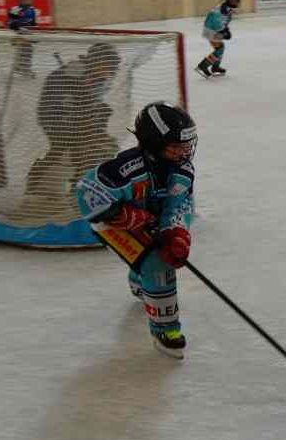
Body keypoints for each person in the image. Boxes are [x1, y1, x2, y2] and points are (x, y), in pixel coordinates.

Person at [75, 102, 196, 358]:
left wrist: (175, 232)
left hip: (149, 220)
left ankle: (141, 278)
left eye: (187, 144)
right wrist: (123, 215)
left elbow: (179, 205)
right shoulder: (127, 169)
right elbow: (86, 192)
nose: (185, 151)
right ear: (155, 144)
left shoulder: (183, 170)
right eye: (177, 146)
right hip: (111, 225)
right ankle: (166, 330)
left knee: (161, 253)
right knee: (157, 264)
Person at [28, 43, 122, 192]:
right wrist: (79, 111)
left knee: (84, 148)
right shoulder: (77, 70)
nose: (108, 70)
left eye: (111, 66)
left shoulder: (99, 77)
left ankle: (77, 181)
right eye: (105, 65)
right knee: (72, 148)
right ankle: (45, 180)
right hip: (55, 116)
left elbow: (92, 102)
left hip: (74, 116)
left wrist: (95, 115)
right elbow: (64, 99)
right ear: (96, 60)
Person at [196, 0, 240, 79]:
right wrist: (223, 31)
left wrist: (226, 29)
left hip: (213, 29)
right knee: (219, 49)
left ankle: (215, 67)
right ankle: (203, 66)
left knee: (220, 48)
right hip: (211, 30)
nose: (236, 2)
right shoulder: (222, 9)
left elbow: (224, 20)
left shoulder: (226, 8)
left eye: (237, 0)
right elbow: (216, 21)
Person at [8, 0, 38, 75]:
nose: (28, 0)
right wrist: (23, 30)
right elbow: (11, 25)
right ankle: (21, 68)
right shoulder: (15, 10)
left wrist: (33, 34)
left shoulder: (32, 10)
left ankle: (24, 68)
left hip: (27, 35)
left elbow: (33, 25)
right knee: (25, 48)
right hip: (17, 35)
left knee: (29, 49)